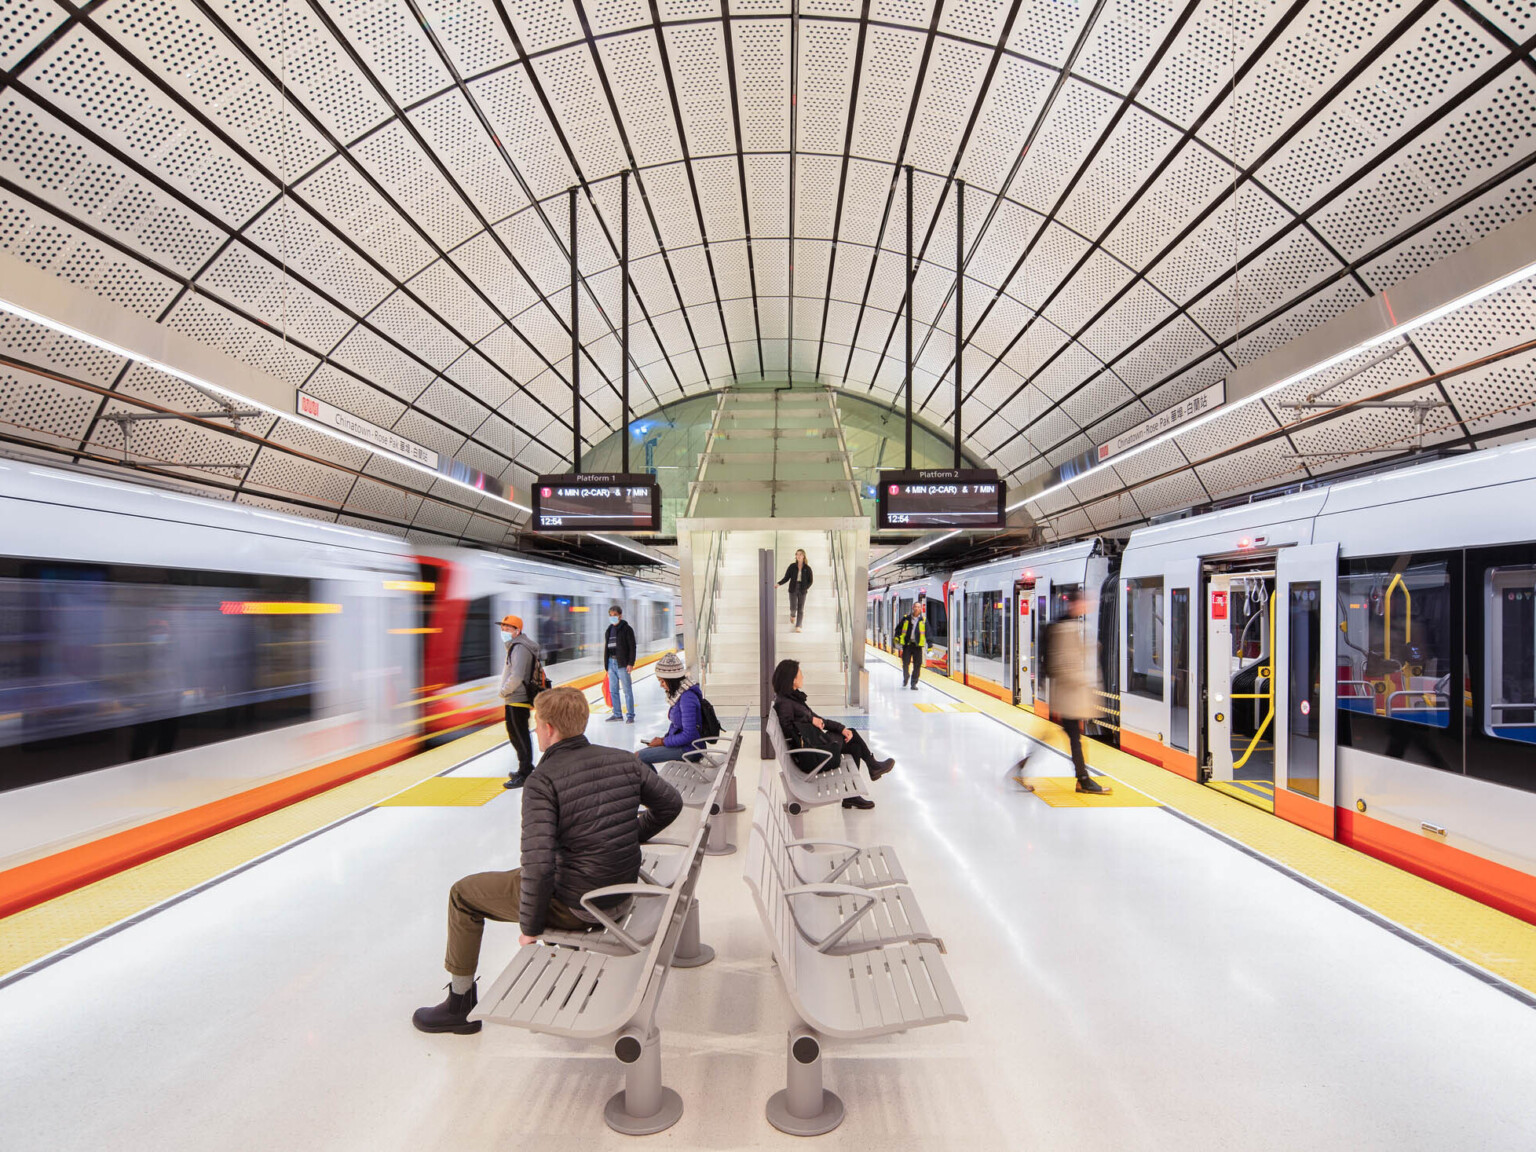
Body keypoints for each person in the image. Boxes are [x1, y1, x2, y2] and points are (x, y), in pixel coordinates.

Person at [412, 686, 684, 1034]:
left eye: (537, 724)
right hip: (621, 892)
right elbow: (670, 804)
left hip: (577, 904)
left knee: (463, 895)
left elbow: (538, 869)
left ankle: (460, 1004)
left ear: (550, 728)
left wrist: (529, 928)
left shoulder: (542, 781)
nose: (535, 731)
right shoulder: (622, 759)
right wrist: (631, 832)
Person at [771, 658, 894, 810]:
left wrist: (841, 728)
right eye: (800, 674)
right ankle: (872, 767)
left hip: (813, 746)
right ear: (792, 679)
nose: (803, 676)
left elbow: (819, 720)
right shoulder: (785, 703)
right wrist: (810, 720)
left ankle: (853, 794)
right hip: (810, 756)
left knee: (854, 745)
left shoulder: (792, 699)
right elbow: (788, 729)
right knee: (853, 736)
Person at [1026, 591, 1110, 795]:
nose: (1087, 606)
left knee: (1064, 736)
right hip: (1069, 695)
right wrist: (1086, 684)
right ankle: (1083, 780)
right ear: (1075, 605)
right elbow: (1064, 665)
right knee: (1073, 738)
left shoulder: (1069, 626)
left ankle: (1082, 778)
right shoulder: (1066, 628)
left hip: (1068, 694)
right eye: (1084, 603)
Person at [637, 650, 705, 768]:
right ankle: (654, 785)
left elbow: (689, 734)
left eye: (662, 681)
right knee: (640, 755)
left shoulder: (686, 698)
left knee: (638, 757)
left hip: (690, 749)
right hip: (685, 745)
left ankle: (655, 786)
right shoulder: (680, 695)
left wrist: (663, 742)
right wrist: (663, 739)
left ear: (671, 679)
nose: (661, 685)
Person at [498, 614, 541, 789]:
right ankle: (524, 767)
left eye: (508, 628)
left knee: (520, 733)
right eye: (502, 628)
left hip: (518, 697)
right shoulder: (515, 646)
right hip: (512, 698)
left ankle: (525, 772)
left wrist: (503, 691)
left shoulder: (520, 648)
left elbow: (517, 675)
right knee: (514, 733)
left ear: (517, 631)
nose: (504, 631)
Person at [603, 603, 637, 725]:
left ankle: (630, 715)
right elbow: (606, 648)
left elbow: (632, 647)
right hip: (611, 663)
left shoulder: (627, 629)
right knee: (613, 690)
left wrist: (631, 663)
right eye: (611, 615)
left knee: (627, 690)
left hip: (622, 663)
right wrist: (606, 666)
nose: (613, 617)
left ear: (620, 616)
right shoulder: (609, 630)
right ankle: (617, 714)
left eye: (615, 615)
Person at [776, 548, 814, 632]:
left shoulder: (807, 568)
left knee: (801, 609)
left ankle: (798, 626)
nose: (798, 556)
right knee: (793, 607)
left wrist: (805, 587)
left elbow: (810, 581)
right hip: (793, 588)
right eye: (797, 554)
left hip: (802, 590)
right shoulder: (792, 566)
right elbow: (786, 578)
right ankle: (792, 615)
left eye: (800, 554)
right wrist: (779, 583)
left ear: (803, 556)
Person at [895, 601, 927, 690]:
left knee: (917, 665)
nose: (917, 608)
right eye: (915, 607)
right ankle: (906, 677)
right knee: (905, 663)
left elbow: (928, 633)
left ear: (921, 609)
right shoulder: (906, 619)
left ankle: (914, 683)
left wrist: (930, 644)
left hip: (917, 646)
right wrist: (897, 637)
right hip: (907, 645)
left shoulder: (923, 621)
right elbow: (898, 629)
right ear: (913, 608)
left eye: (919, 607)